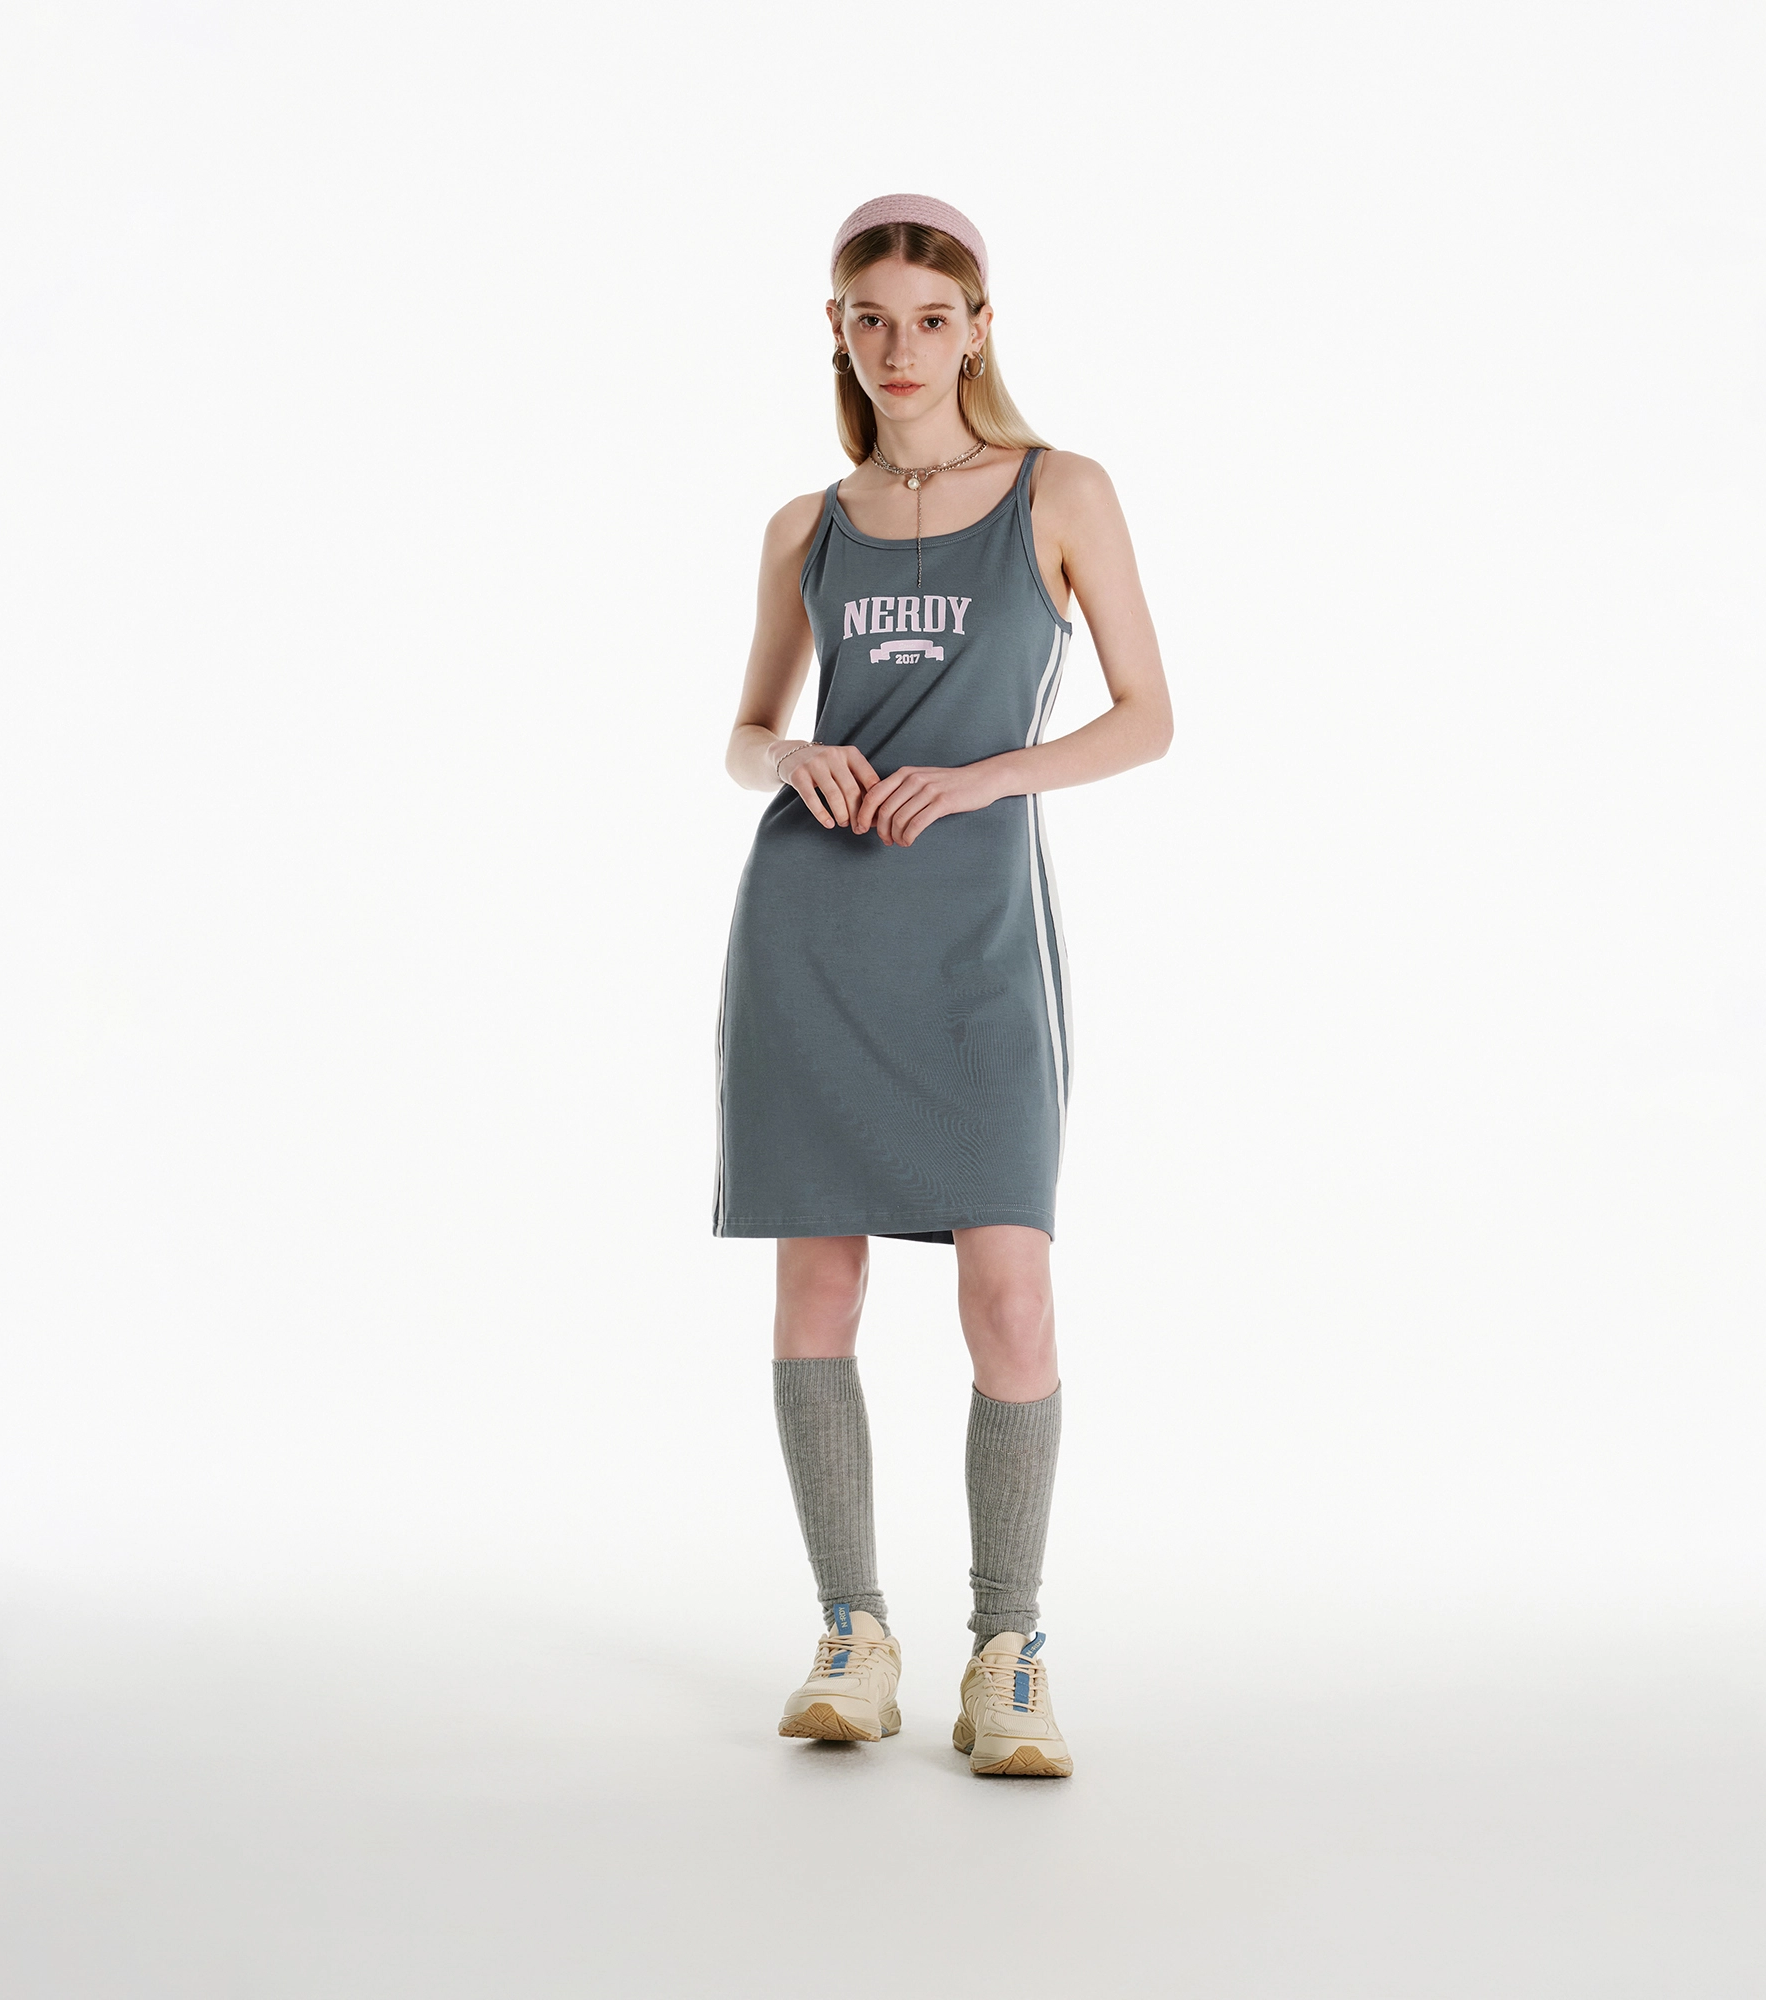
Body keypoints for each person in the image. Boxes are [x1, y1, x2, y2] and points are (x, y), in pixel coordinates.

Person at [716, 194, 1173, 1777]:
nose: (899, 349)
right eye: (871, 321)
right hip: (813, 930)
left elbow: (1148, 716)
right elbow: (742, 736)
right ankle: (852, 1634)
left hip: (977, 942)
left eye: (929, 319)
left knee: (1011, 1292)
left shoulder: (1062, 490)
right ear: (836, 333)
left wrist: (983, 781)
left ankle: (1008, 1648)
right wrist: (795, 757)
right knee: (817, 1288)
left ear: (979, 328)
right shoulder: (808, 526)